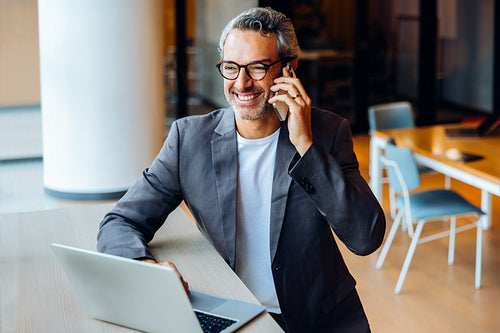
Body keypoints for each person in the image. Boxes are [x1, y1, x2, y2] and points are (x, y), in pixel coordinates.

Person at [97, 7, 385, 333]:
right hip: (233, 316)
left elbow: (366, 238)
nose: (242, 83)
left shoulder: (328, 133)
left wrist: (306, 146)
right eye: (231, 68)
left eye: (258, 67)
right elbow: (120, 222)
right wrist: (147, 267)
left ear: (289, 69)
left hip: (318, 321)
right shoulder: (189, 139)